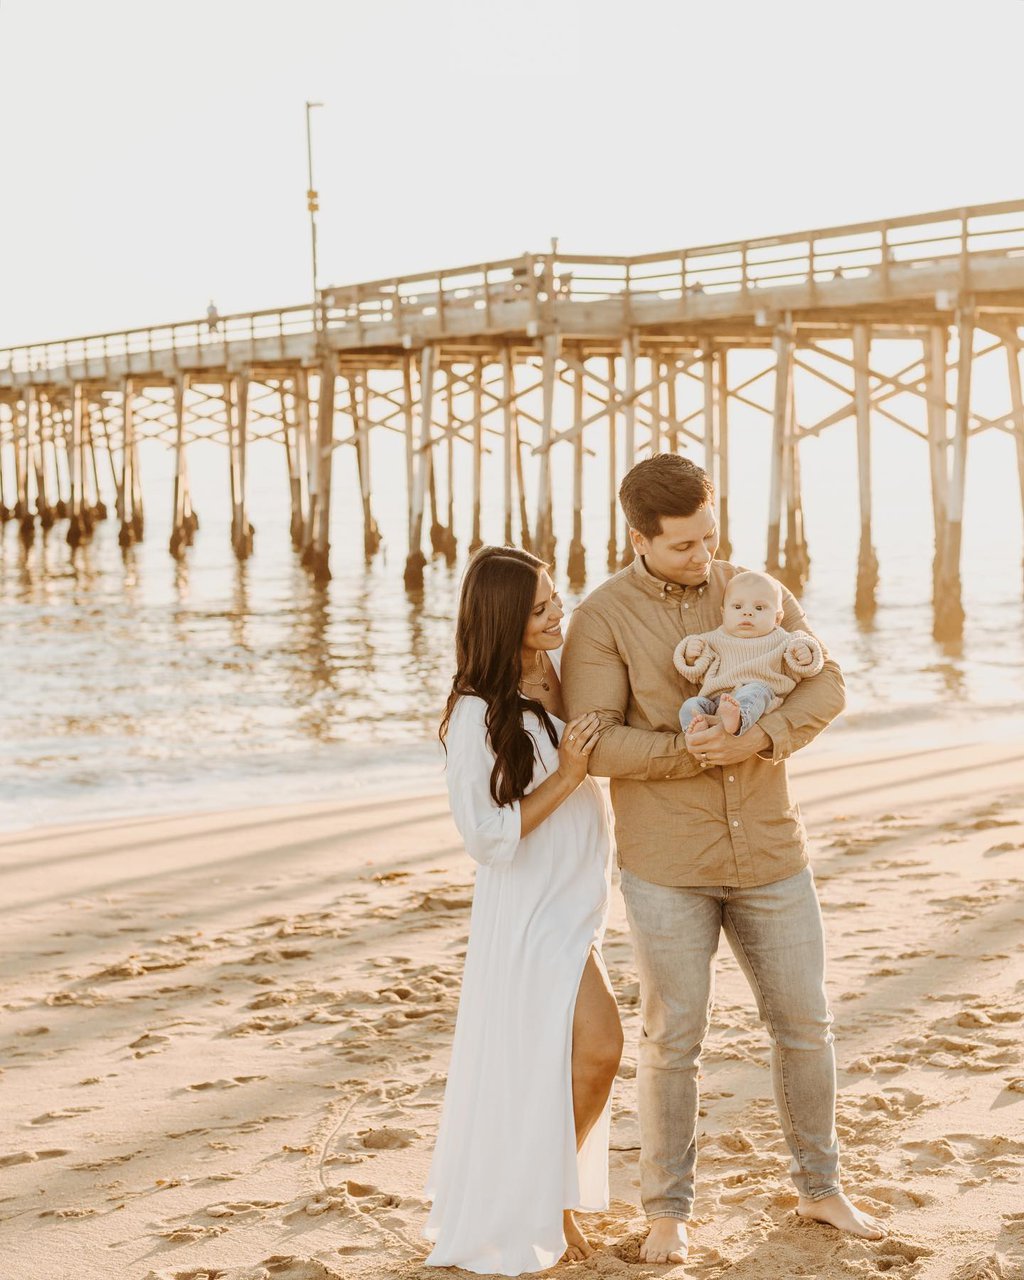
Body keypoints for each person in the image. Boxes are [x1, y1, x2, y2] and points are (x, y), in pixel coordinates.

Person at [561, 453, 885, 1266]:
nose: (705, 559)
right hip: (667, 862)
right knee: (674, 1040)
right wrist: (691, 752)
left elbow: (826, 685)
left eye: (711, 538)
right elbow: (594, 742)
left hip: (774, 850)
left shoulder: (753, 590)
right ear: (638, 537)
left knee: (805, 1026)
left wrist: (760, 737)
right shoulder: (601, 616)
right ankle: (667, 1213)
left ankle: (820, 1190)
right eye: (683, 547)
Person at [424, 545, 623, 1275]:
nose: (557, 613)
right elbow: (485, 836)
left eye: (555, 598)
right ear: (505, 619)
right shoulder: (477, 714)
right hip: (533, 913)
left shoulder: (553, 675)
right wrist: (569, 775)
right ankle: (537, 1200)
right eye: (540, 608)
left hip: (575, 903)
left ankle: (547, 1198)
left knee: (562, 1061)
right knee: (600, 1050)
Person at [674, 570, 824, 738]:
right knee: (690, 705)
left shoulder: (784, 640)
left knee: (755, 689)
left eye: (759, 608)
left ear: (777, 618)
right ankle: (697, 732)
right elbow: (695, 673)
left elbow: (810, 665)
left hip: (761, 700)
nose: (747, 613)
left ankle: (738, 721)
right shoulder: (712, 640)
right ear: (723, 613)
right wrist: (690, 656)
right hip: (716, 702)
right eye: (737, 607)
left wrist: (805, 657)